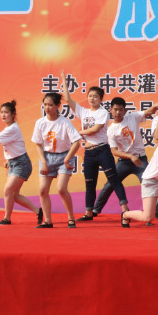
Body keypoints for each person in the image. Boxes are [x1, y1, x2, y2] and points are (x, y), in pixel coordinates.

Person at [61, 71, 127, 222]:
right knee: (90, 183)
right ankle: (89, 212)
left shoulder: (103, 112)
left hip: (102, 150)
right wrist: (64, 82)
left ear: (101, 99)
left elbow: (95, 129)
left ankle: (125, 210)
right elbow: (68, 100)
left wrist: (79, 132)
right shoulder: (83, 111)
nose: (92, 98)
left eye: (95, 96)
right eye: (90, 96)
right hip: (89, 152)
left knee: (114, 180)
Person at [93, 97, 158, 215]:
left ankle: (154, 211)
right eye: (115, 109)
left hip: (140, 160)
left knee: (148, 184)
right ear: (111, 110)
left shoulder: (133, 117)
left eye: (120, 110)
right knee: (110, 184)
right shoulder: (111, 130)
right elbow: (114, 151)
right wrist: (130, 157)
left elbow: (150, 110)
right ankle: (95, 210)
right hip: (123, 162)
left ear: (124, 110)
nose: (118, 112)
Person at [0, 100, 42, 225]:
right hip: (14, 162)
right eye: (1, 112)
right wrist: (8, 160)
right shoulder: (9, 128)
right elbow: (14, 145)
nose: (3, 115)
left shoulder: (12, 129)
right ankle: (38, 211)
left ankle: (7, 218)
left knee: (8, 191)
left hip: (21, 164)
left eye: (6, 112)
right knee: (14, 195)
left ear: (13, 114)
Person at [31, 92, 82, 228]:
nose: (47, 107)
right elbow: (38, 144)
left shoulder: (64, 122)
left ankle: (71, 218)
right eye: (45, 104)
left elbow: (76, 142)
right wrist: (44, 162)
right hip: (47, 157)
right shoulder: (40, 123)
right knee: (43, 190)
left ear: (58, 105)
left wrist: (67, 159)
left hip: (64, 157)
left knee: (61, 189)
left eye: (50, 105)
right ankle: (47, 220)